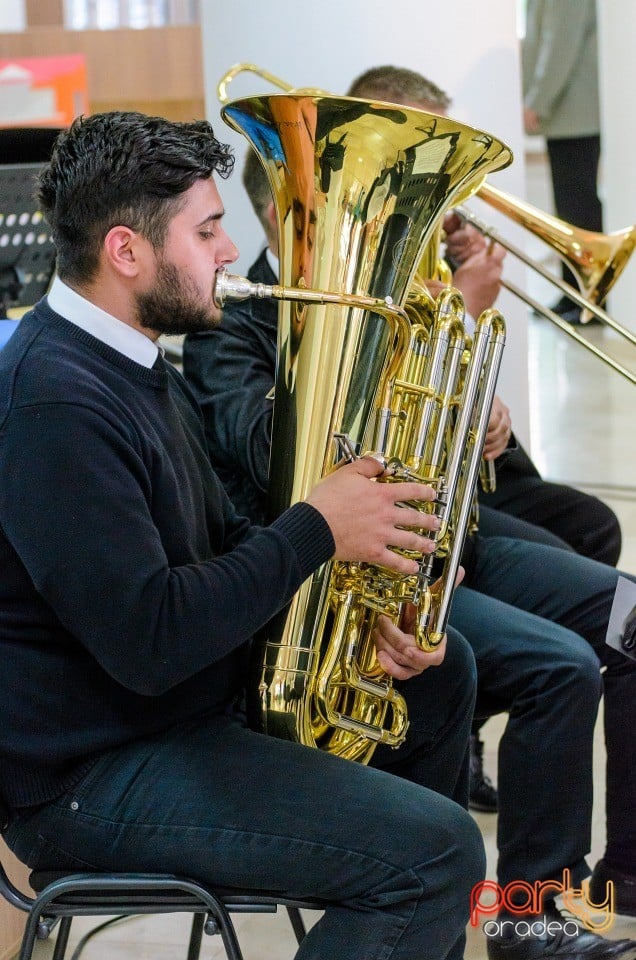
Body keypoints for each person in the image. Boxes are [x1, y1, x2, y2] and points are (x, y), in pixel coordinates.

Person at [0, 110, 488, 960]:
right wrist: (317, 529)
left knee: (442, 684)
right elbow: (150, 639)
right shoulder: (53, 406)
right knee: (438, 853)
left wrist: (353, 610)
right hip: (92, 776)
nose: (229, 252)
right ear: (127, 252)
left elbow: (224, 542)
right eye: (208, 230)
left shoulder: (138, 361)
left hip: (172, 717)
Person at [183, 68, 636, 960]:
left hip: (454, 533)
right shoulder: (231, 326)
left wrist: (477, 419)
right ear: (293, 215)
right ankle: (526, 913)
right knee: (559, 669)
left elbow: (435, 438)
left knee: (629, 613)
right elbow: (285, 459)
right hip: (364, 568)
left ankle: (622, 885)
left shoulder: (398, 296)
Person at [522, 0, 603, 324]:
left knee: (577, 208)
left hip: (574, 112)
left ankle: (590, 300)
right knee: (570, 208)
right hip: (568, 113)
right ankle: (574, 293)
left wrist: (537, 101)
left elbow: (560, 43)